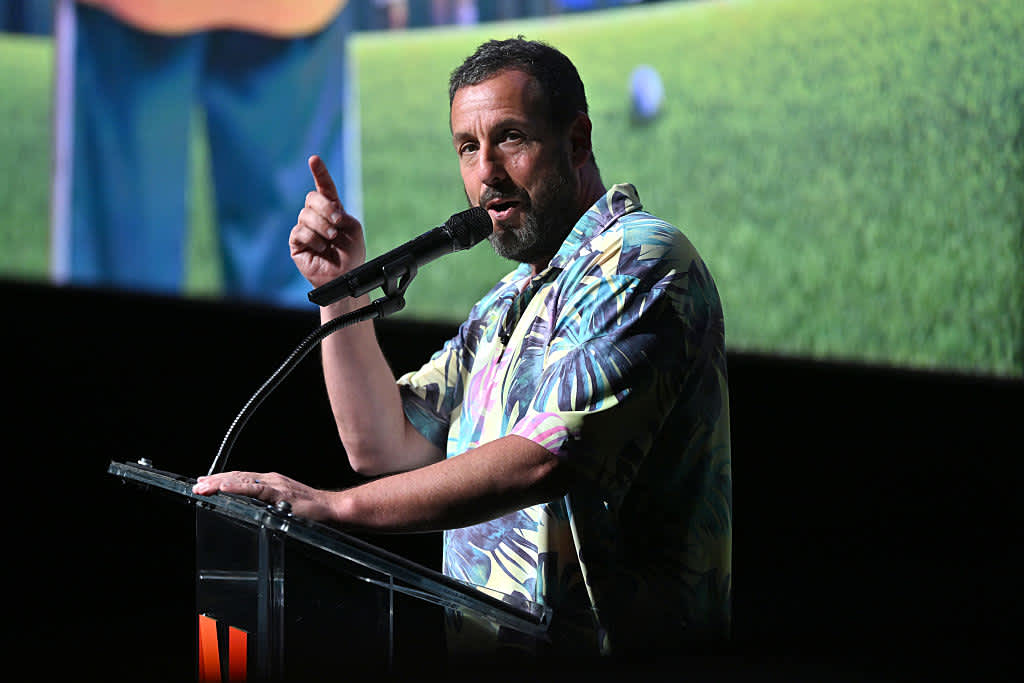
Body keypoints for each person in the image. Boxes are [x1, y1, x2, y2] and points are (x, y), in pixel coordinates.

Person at [194, 37, 732, 659]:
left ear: (577, 140)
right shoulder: (503, 305)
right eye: (468, 148)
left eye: (510, 137)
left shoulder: (641, 259)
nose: (486, 173)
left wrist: (333, 508)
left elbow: (544, 459)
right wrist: (340, 289)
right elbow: (381, 444)